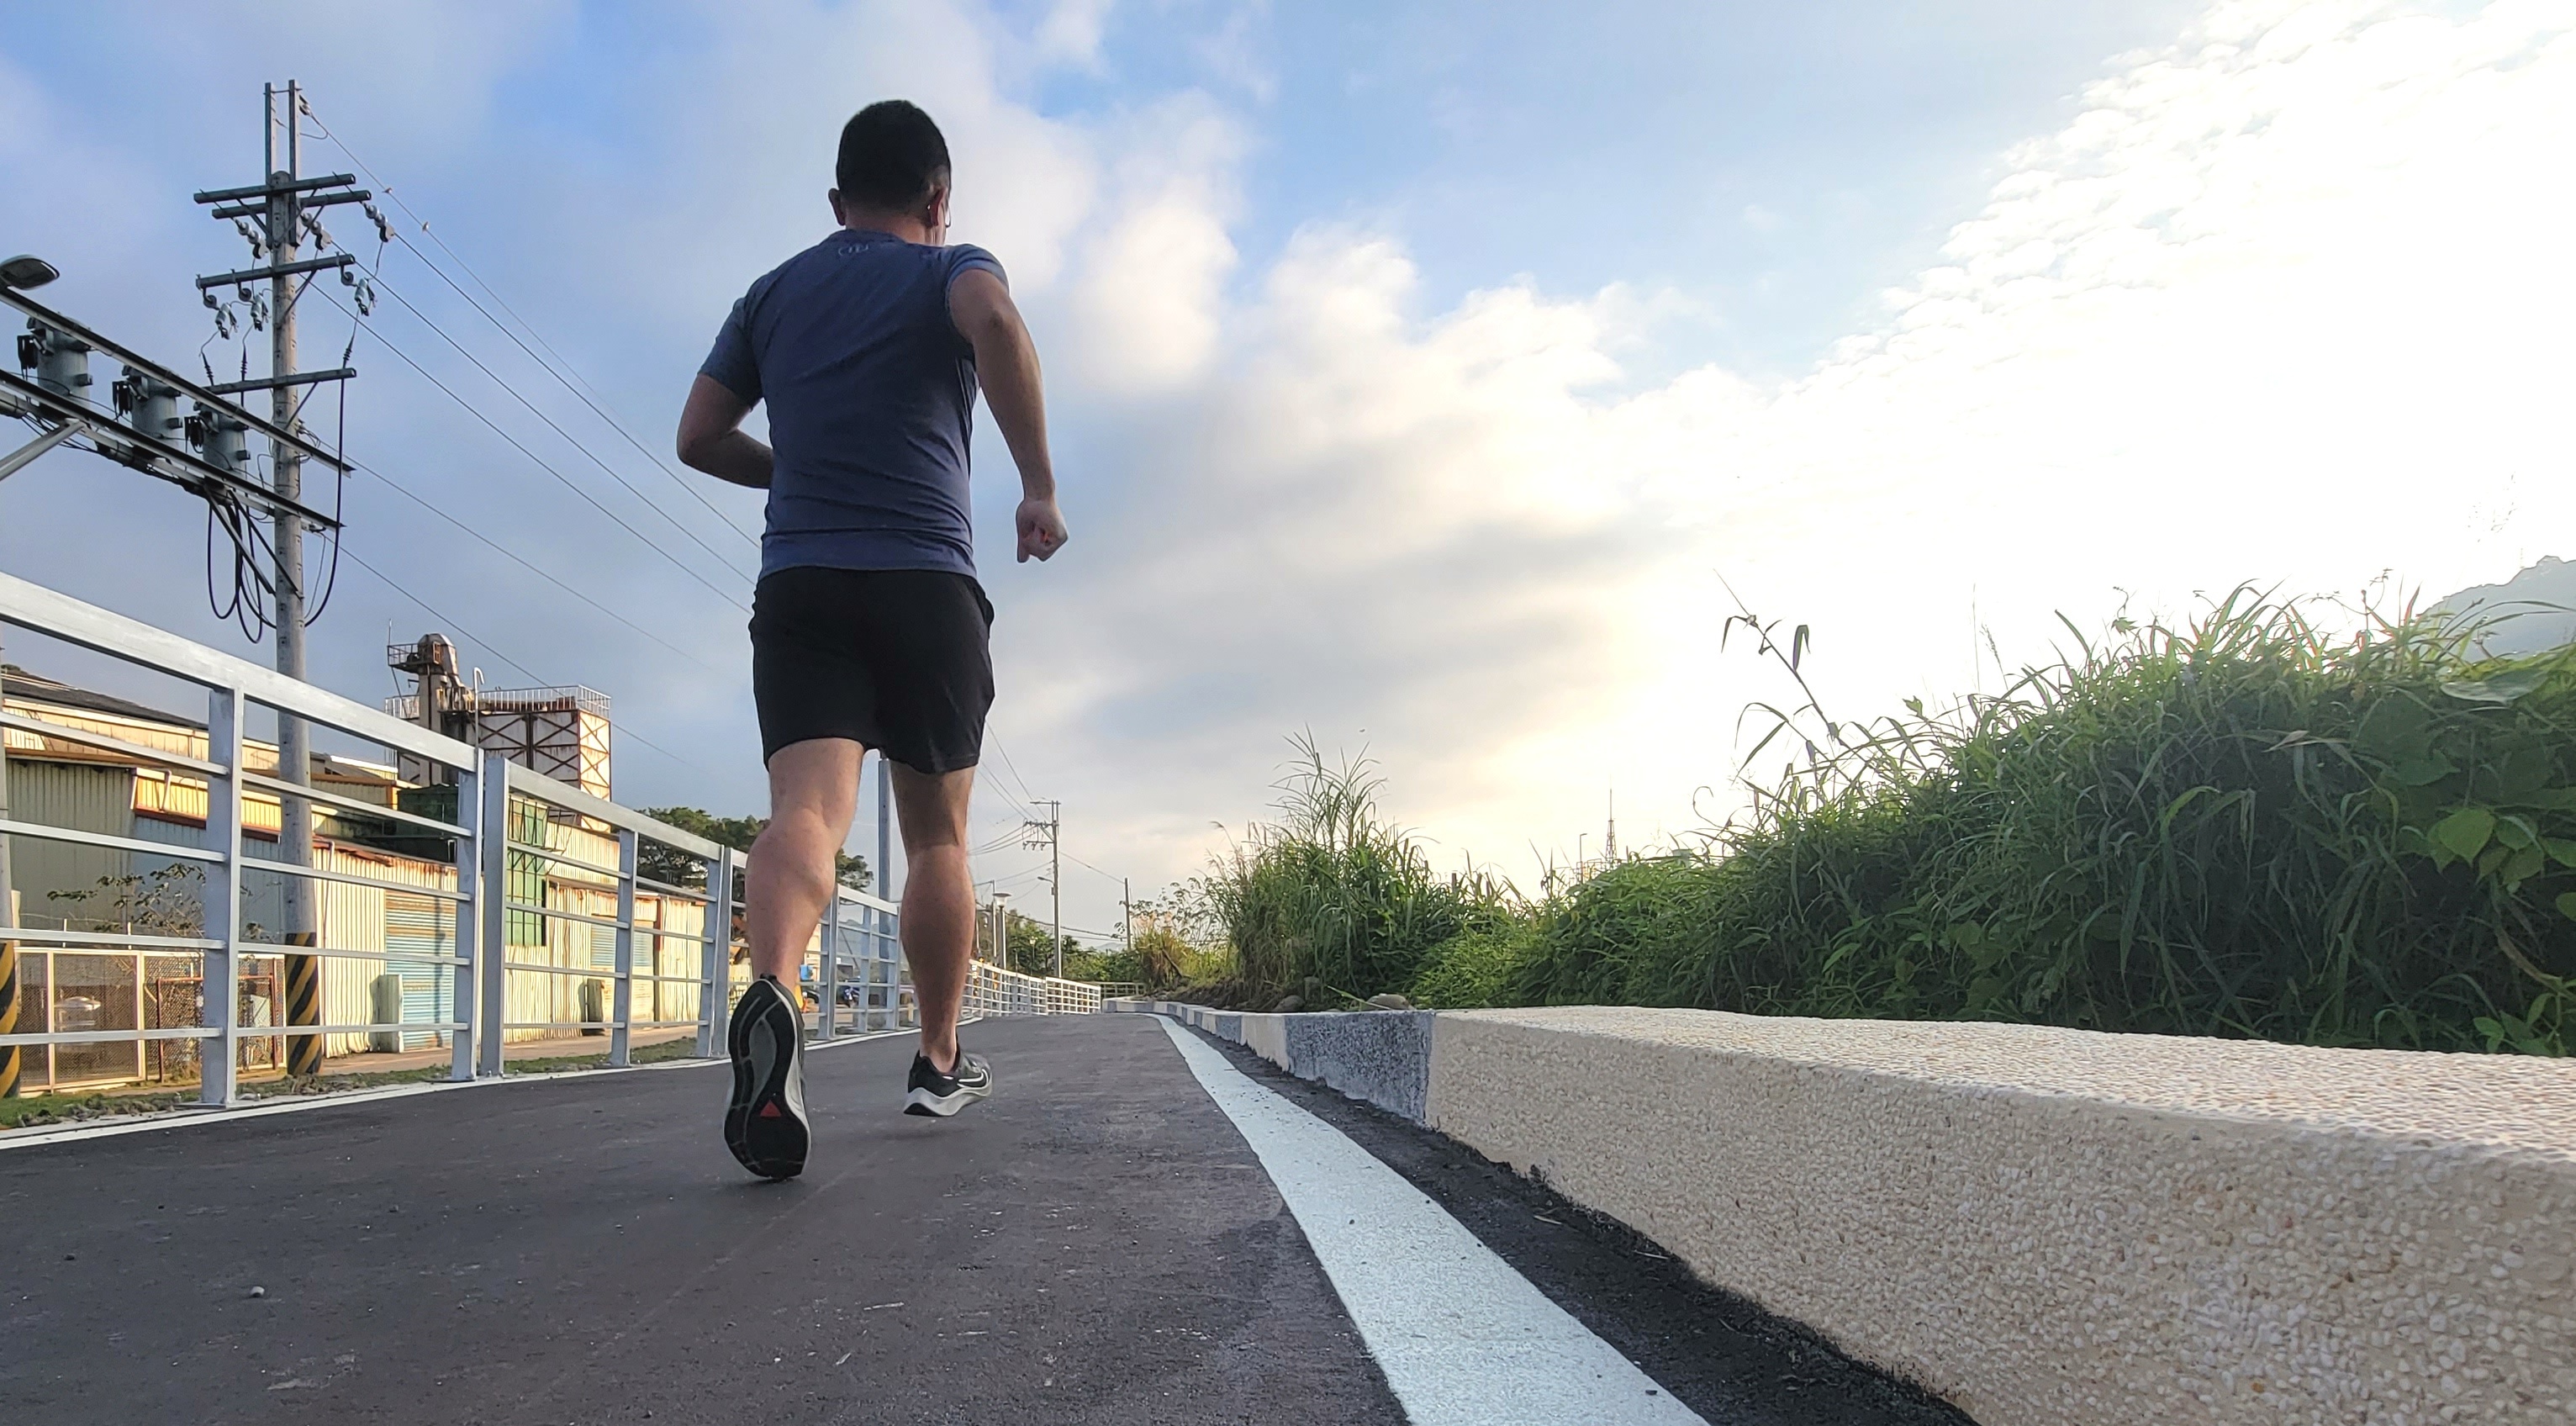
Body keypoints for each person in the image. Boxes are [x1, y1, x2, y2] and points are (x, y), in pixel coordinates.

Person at [676, 99, 1068, 1180]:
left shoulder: (771, 294)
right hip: (925, 581)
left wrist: (792, 470)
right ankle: (938, 1061)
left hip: (801, 580)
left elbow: (698, 437)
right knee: (936, 837)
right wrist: (1036, 487)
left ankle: (777, 993)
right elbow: (995, 324)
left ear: (838, 201)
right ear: (939, 199)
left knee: (804, 810)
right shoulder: (951, 267)